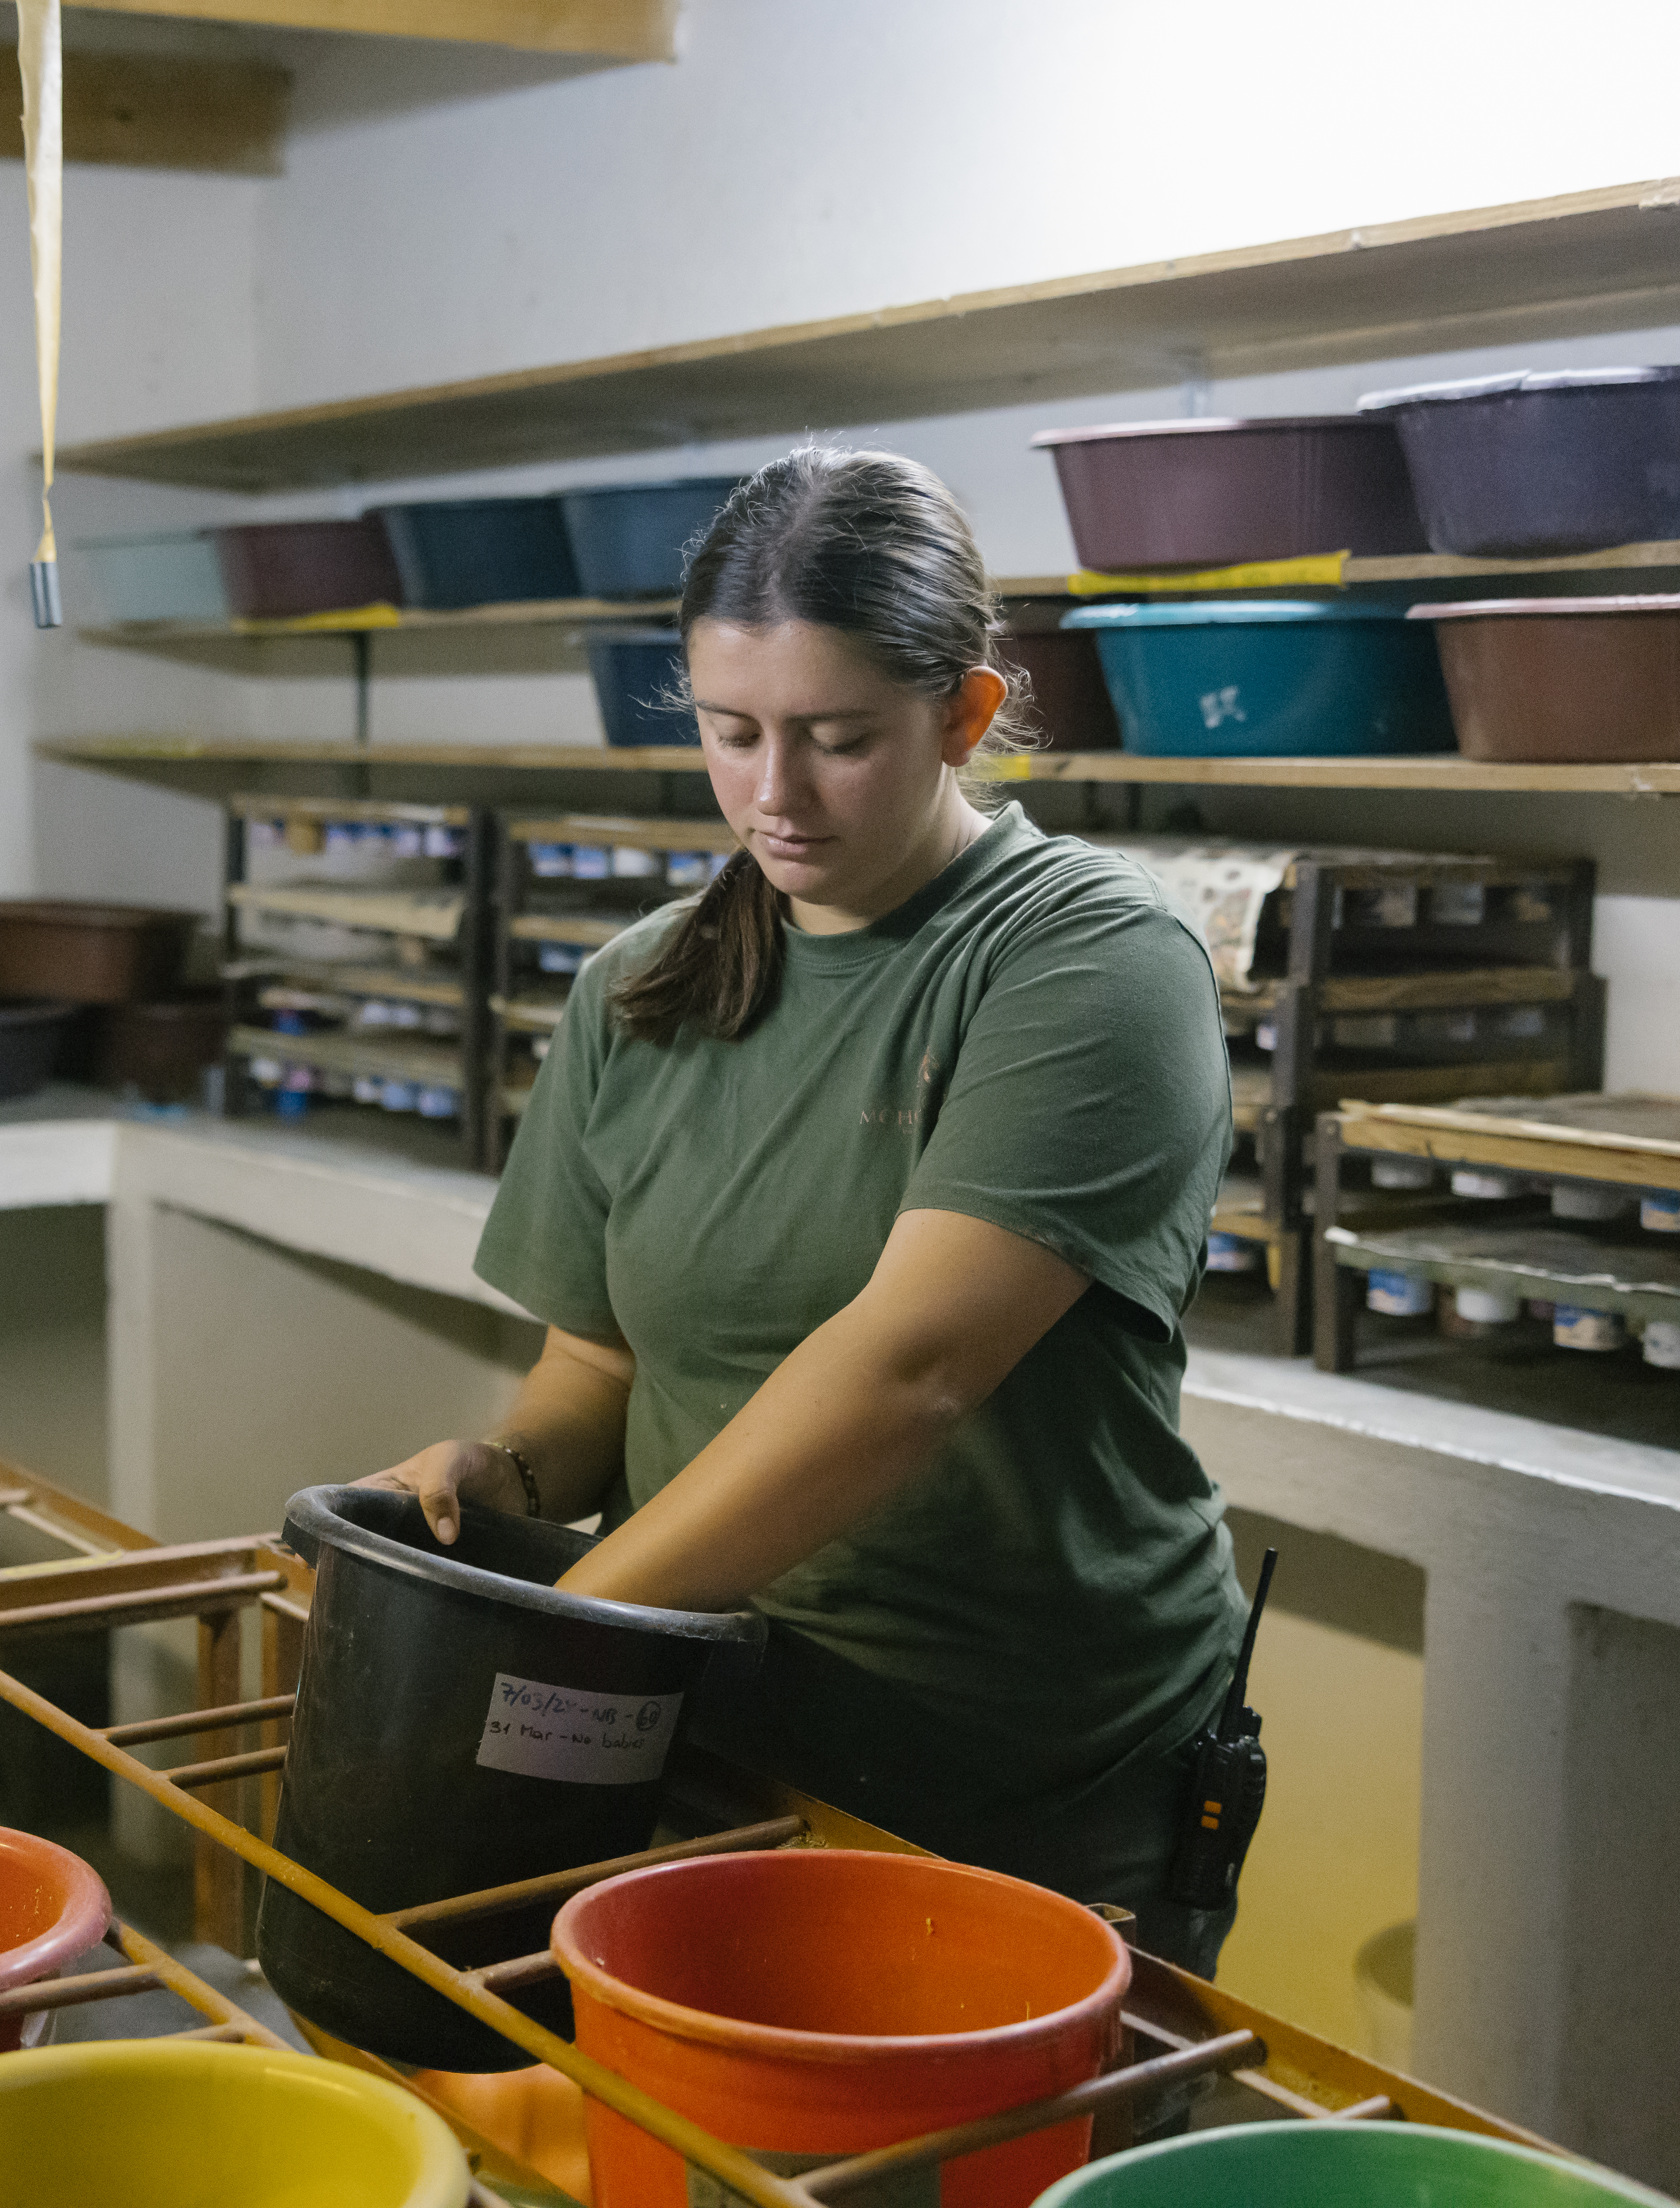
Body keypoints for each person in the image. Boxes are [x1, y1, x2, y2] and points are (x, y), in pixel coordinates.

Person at [365, 447, 1249, 1971]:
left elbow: (911, 1373)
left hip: (1018, 1772)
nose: (774, 795)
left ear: (966, 714)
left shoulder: (1089, 961)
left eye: (838, 739)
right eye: (730, 734)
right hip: (705, 1720)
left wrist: (534, 1651)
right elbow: (605, 1371)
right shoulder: (641, 986)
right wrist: (505, 1470)